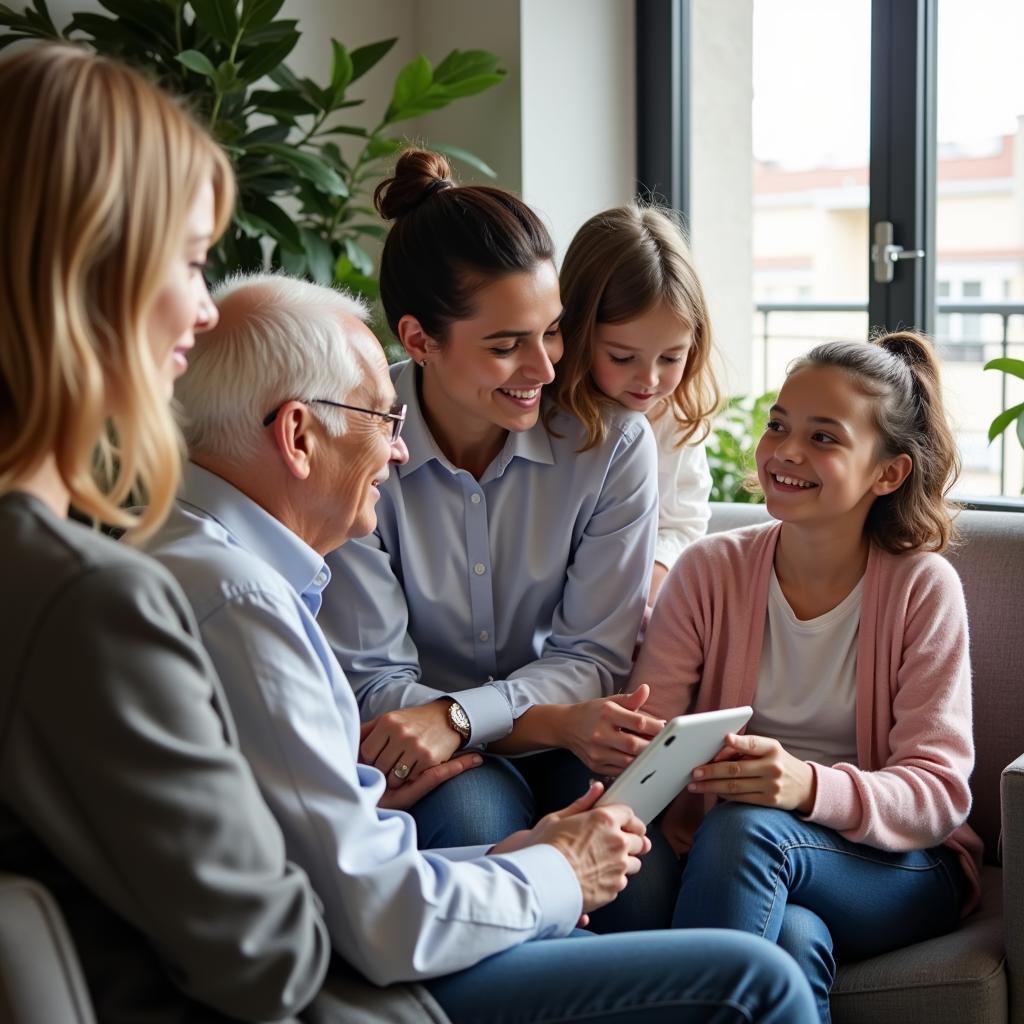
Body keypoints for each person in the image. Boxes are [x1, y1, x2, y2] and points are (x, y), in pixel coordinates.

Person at [144, 271, 819, 1024]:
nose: (399, 451)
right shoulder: (243, 602)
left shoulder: (215, 565)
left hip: (348, 929)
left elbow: (336, 866)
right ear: (300, 435)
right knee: (757, 980)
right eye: (379, 417)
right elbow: (377, 918)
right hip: (335, 983)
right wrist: (559, 870)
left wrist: (518, 858)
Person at [0, 44, 334, 1023]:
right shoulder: (83, 596)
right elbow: (272, 960)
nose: (202, 307)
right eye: (190, 261)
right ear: (88, 270)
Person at [318, 150, 668, 853]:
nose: (545, 369)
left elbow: (593, 656)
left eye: (553, 331)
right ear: (419, 340)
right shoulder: (353, 442)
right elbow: (375, 687)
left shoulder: (614, 446)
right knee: (476, 824)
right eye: (508, 345)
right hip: (440, 755)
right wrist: (489, 723)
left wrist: (457, 714)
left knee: (642, 881)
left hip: (565, 736)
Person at [631, 331, 984, 1022]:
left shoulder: (922, 588)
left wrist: (807, 785)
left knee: (747, 828)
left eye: (824, 437)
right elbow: (651, 750)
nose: (786, 452)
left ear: (888, 473)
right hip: (730, 861)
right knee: (791, 939)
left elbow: (939, 793)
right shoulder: (709, 571)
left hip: (895, 866)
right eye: (778, 425)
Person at [555, 204, 717, 604]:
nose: (650, 380)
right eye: (622, 358)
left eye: (671, 358)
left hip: (636, 598)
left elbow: (682, 523)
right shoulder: (542, 412)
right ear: (578, 333)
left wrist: (649, 588)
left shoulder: (674, 418)